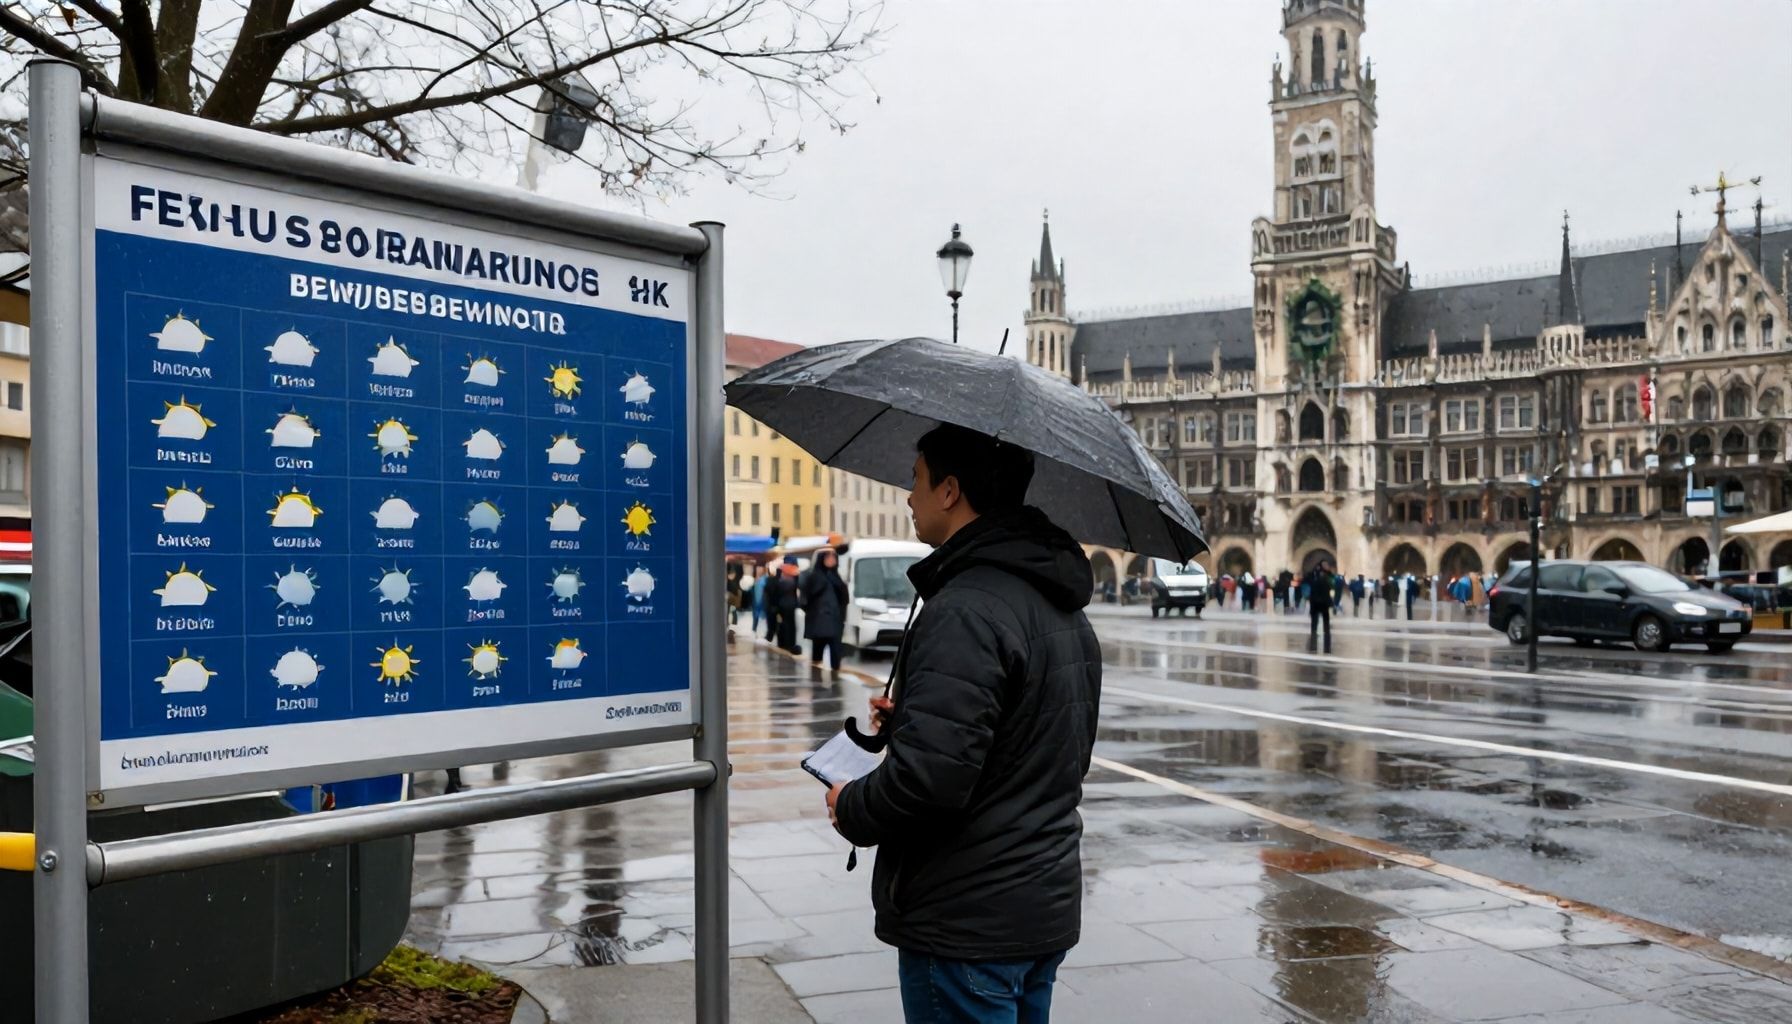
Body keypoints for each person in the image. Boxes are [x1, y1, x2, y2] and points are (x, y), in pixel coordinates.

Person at [829, 424, 1100, 1024]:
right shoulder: (1058, 603)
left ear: (950, 491)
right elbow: (1045, 743)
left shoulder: (965, 607)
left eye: (916, 480)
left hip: (966, 916)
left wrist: (852, 804)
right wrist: (919, 718)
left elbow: (927, 783)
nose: (908, 495)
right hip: (1038, 905)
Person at [800, 548, 850, 670]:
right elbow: (804, 599)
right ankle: (817, 679)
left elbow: (844, 600)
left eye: (833, 557)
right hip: (818, 621)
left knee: (836, 654)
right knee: (817, 654)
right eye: (828, 557)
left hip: (835, 621)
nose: (831, 560)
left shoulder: (837, 578)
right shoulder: (813, 576)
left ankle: (835, 679)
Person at [769, 555, 802, 652]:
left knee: (784, 625)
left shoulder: (781, 574)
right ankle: (788, 644)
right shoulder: (793, 574)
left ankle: (784, 644)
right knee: (788, 625)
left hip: (783, 604)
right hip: (787, 604)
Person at [1309, 561, 1333, 649]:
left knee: (1324, 625)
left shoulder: (1327, 577)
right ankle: (1315, 644)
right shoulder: (1316, 576)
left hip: (1322, 603)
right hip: (1318, 603)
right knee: (1316, 625)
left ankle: (1323, 645)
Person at [751, 566, 768, 635]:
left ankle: (757, 632)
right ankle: (754, 630)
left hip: (761, 603)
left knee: (761, 619)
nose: (758, 570)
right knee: (756, 617)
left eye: (760, 569)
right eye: (757, 569)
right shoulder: (756, 580)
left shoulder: (764, 580)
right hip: (756, 602)